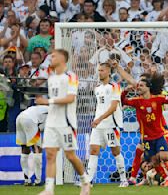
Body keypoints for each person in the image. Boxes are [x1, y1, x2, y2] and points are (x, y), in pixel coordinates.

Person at [35, 49, 90, 195]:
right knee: (50, 155)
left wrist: (48, 101)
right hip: (51, 122)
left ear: (62, 58)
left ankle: (85, 181)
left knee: (70, 156)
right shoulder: (51, 78)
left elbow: (70, 98)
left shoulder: (70, 76)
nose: (51, 58)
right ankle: (48, 190)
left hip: (66, 123)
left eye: (53, 56)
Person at [121, 72, 168, 187]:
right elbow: (124, 101)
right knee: (153, 160)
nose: (138, 87)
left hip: (159, 135)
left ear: (148, 87)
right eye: (138, 85)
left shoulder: (158, 99)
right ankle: (166, 179)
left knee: (164, 156)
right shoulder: (137, 101)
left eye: (141, 85)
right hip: (146, 138)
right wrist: (126, 90)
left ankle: (164, 166)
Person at [86, 63, 128, 187]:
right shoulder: (97, 88)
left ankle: (123, 179)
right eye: (98, 70)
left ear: (109, 72)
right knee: (93, 151)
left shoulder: (114, 86)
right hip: (98, 125)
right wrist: (97, 120)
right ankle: (89, 181)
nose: (100, 73)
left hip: (111, 125)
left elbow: (113, 107)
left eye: (102, 70)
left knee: (115, 151)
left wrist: (99, 119)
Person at [16, 104, 48, 186]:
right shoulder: (53, 111)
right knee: (37, 149)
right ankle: (38, 181)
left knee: (25, 149)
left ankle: (27, 180)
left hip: (19, 117)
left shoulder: (41, 109)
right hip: (30, 120)